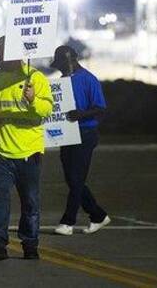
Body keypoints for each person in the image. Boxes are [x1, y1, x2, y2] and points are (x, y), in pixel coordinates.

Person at [0, 36, 53, 260]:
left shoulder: (36, 78)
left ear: (11, 52)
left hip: (29, 152)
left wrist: (33, 100)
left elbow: (46, 109)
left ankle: (30, 244)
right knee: (0, 197)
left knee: (30, 200)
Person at [50, 45, 111, 235]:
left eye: (60, 64)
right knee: (73, 179)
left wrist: (82, 115)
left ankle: (68, 222)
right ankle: (98, 215)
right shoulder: (62, 82)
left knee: (76, 179)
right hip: (68, 134)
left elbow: (101, 108)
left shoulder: (88, 79)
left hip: (85, 133)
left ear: (71, 61)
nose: (59, 68)